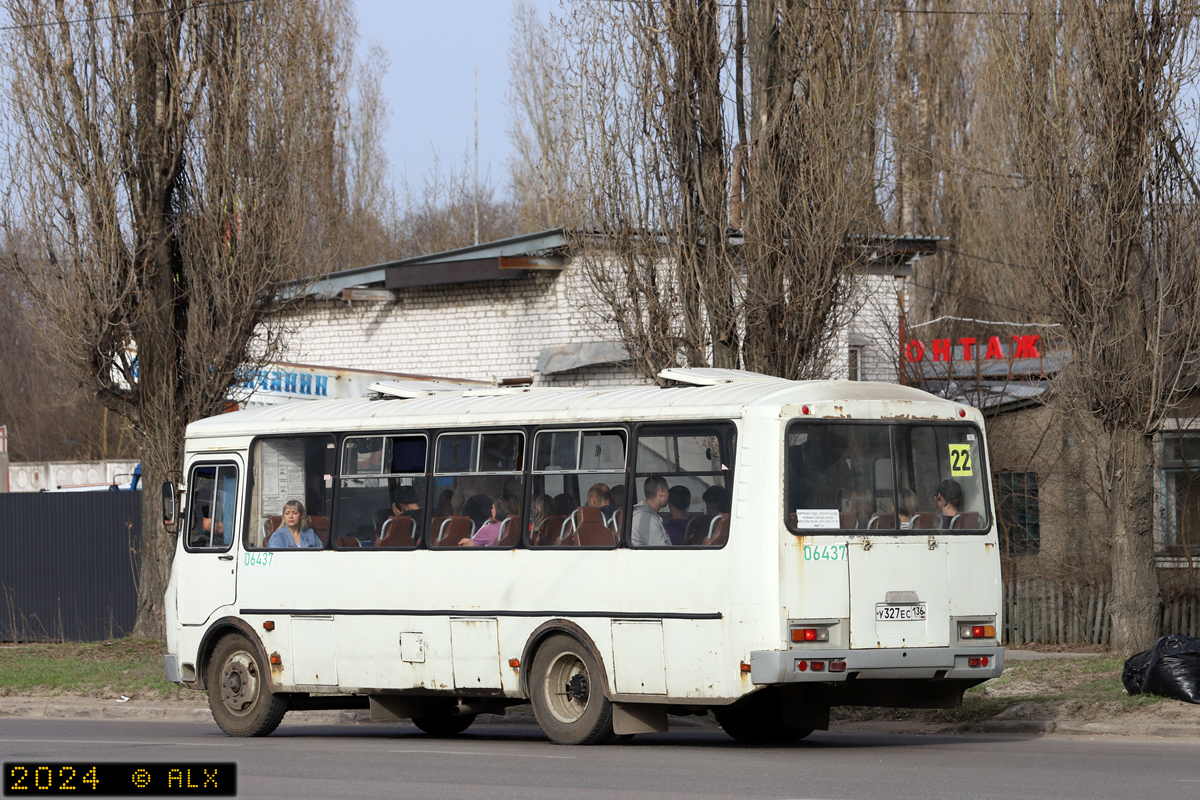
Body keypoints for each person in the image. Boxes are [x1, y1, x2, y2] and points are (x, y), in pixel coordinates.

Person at [631, 475, 671, 547]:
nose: (669, 494)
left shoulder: (645, 515)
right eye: (668, 491)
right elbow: (662, 552)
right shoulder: (647, 519)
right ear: (661, 493)